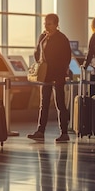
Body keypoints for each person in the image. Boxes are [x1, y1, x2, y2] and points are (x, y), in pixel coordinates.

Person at [27, 13, 72, 143]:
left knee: (59, 103)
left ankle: (64, 132)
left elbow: (66, 57)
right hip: (46, 75)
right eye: (45, 23)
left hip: (57, 74)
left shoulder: (62, 38)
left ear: (56, 24)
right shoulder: (43, 37)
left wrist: (61, 71)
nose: (47, 26)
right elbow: (37, 53)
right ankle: (40, 130)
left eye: (49, 23)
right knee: (44, 103)